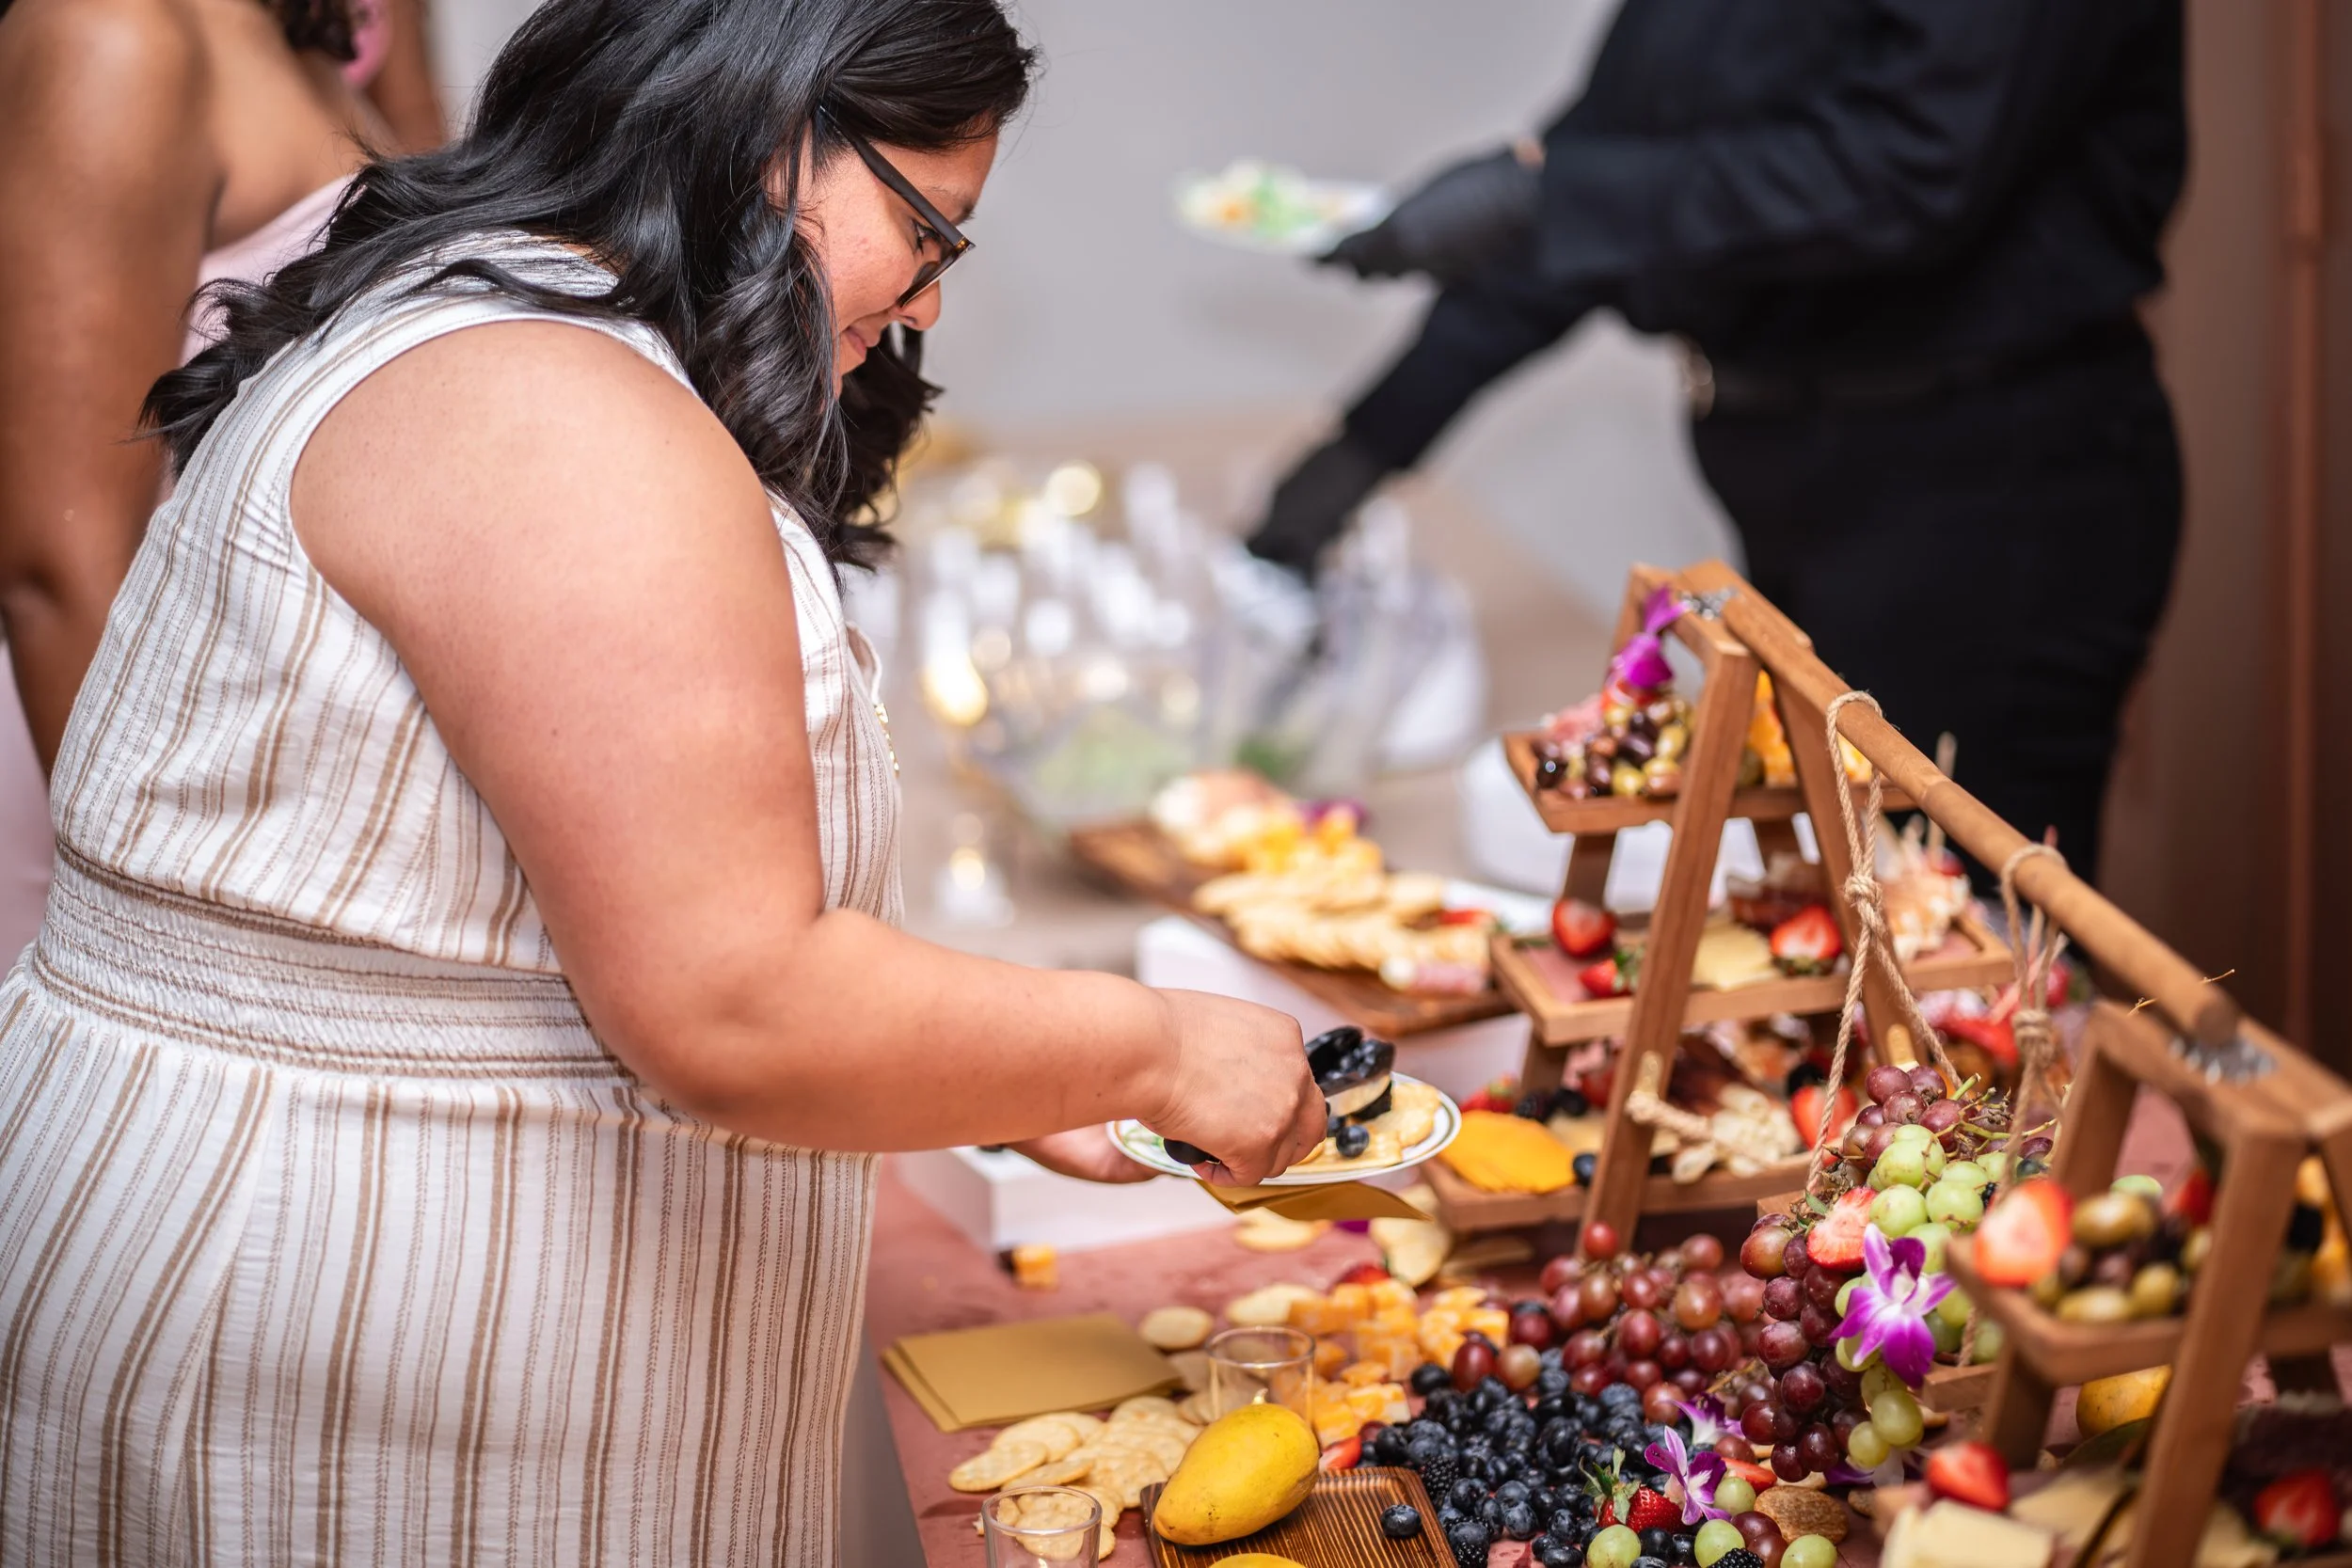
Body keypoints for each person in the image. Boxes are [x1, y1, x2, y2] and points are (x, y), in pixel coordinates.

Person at [0, 1, 1325, 1562]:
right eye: (930, 234)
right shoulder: (554, 409)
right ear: (778, 138)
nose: (931, 306)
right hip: (327, 1315)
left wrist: (1023, 1069)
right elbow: (729, 999)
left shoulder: (518, 326)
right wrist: (1155, 1047)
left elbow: (607, 896)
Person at [1257, 0, 2185, 885]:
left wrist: (1549, 197)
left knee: (1947, 938)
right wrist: (1366, 446)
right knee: (1826, 897)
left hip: (1985, 501)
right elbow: (1612, 172)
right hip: (1813, 495)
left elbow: (1910, 165)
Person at [0, 0, 445, 962]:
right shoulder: (113, 34)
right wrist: (170, 938)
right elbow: (57, 565)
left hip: (211, 760)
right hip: (100, 786)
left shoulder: (287, 36)